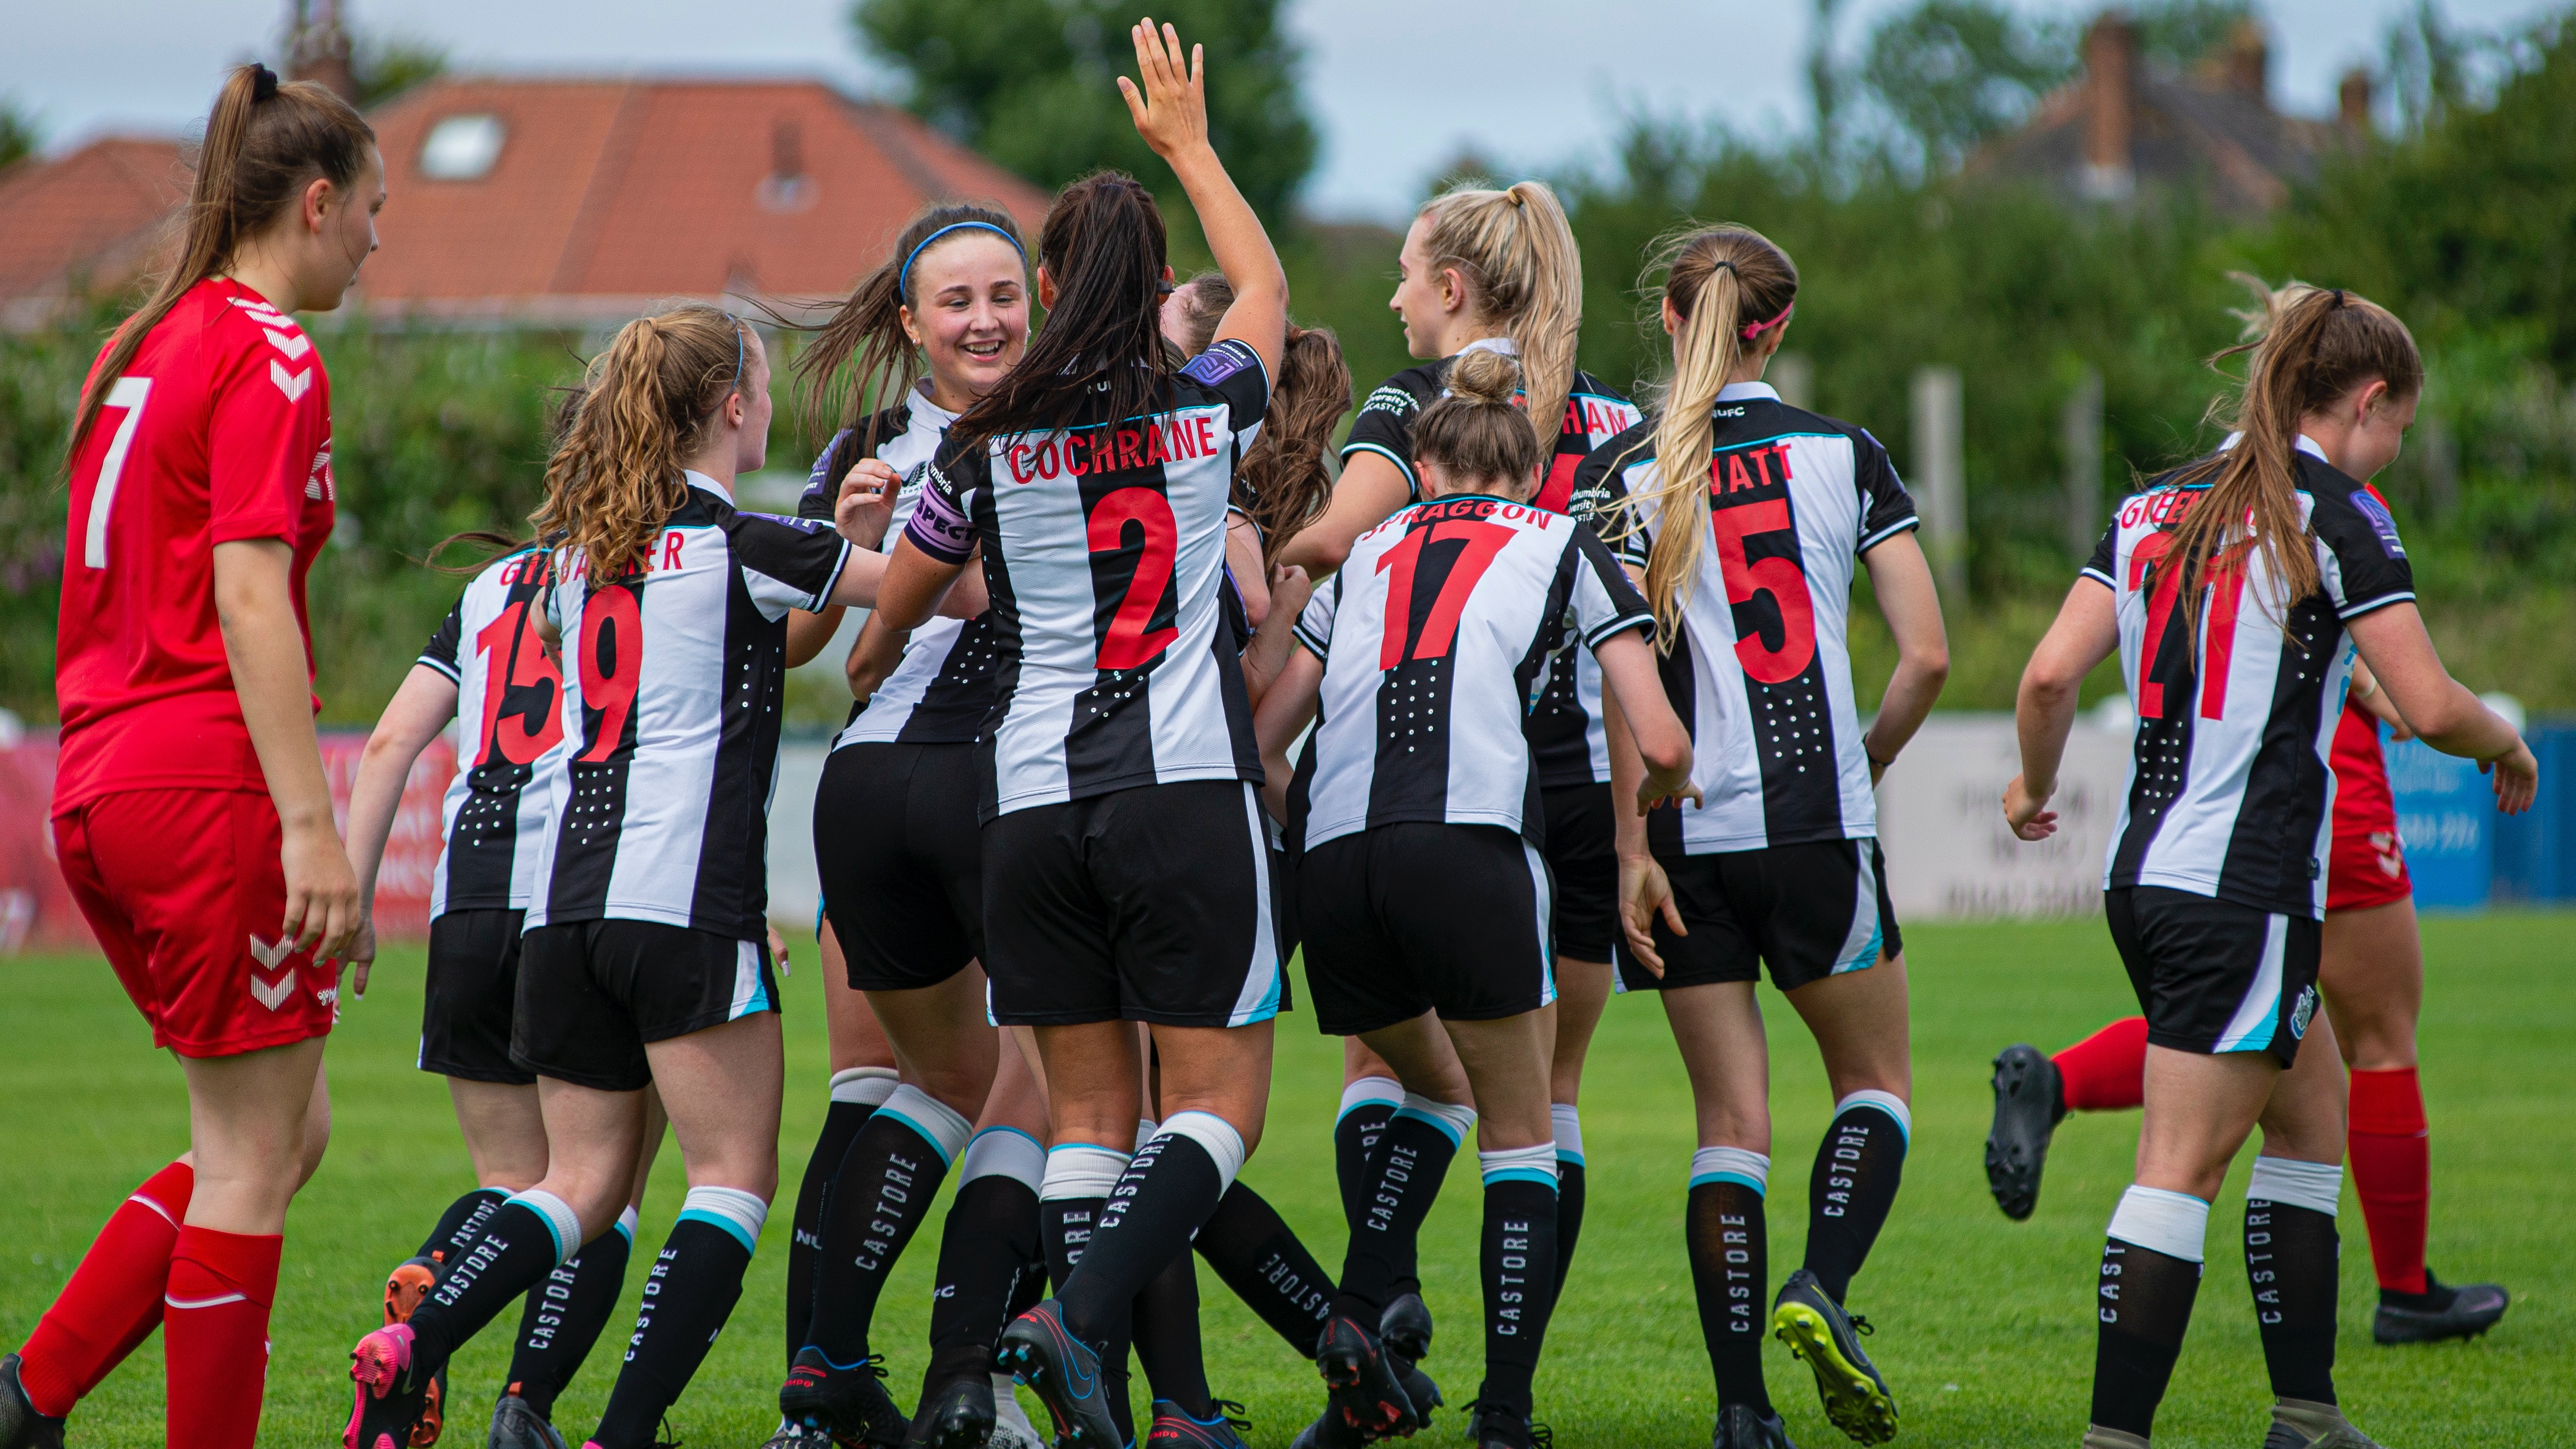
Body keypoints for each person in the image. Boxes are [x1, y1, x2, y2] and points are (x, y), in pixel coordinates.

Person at [343, 303, 957, 1449]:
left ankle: (420, 1342)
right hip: (685, 899)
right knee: (727, 1179)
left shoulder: (567, 567)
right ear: (735, 406)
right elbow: (949, 594)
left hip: (556, 906)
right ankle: (616, 1430)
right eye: (764, 384)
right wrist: (928, 515)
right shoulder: (747, 542)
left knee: (574, 1186)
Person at [848, 21, 1289, 1449]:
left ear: (1039, 296)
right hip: (1176, 796)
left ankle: (1086, 1398)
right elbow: (1268, 288)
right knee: (1216, 1107)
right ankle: (1073, 1320)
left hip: (1029, 807)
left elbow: (894, 613)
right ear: (1163, 290)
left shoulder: (982, 442)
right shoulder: (1205, 405)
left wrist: (863, 660)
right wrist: (1188, 146)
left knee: (1087, 1118)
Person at [2002, 280, 2536, 1449]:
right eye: (2397, 423)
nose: (2392, 446)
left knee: (2306, 1121)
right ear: (2365, 397)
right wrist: (2502, 740)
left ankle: (2305, 1414)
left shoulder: (2152, 505)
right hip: (2239, 886)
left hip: (2142, 874)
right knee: (2176, 1165)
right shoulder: (2333, 510)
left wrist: (2031, 785)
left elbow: (2047, 676)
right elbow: (2435, 701)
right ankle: (2113, 1437)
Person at [0, 62, 377, 1449]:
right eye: (374, 213)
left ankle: (33, 1394)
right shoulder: (270, 352)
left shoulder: (139, 341)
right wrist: (312, 824)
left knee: (286, 1130)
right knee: (251, 1157)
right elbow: (246, 592)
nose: (379, 244)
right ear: (317, 203)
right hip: (198, 778)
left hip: (101, 777)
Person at [1253, 349, 1695, 1449]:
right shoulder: (1562, 538)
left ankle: (1357, 1321)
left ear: (1420, 463)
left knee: (1432, 1088)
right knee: (1518, 1126)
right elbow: (1661, 736)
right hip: (1468, 849)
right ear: (1531, 470)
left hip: (1334, 862)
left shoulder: (1363, 551)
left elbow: (1267, 734)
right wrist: (1670, 795)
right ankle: (1503, 1411)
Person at [1596, 223, 1949, 1449]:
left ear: (1667, 322)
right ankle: (1821, 1285)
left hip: (1681, 836)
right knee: (1874, 1084)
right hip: (1811, 820)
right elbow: (1926, 654)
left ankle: (1741, 1412)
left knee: (1726, 1129)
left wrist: (1627, 848)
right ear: (1775, 326)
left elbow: (1615, 683)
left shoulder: (1625, 468)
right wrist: (1867, 757)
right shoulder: (1840, 454)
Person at [1279, 179, 1643, 1349]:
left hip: (1417, 771)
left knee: (1376, 1062)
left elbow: (1342, 541)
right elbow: (1651, 625)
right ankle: (1511, 1380)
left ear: (1450, 287)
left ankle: (1381, 1295)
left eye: (1401, 273)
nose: (1391, 296)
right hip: (1576, 776)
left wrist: (1254, 545)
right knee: (1544, 1091)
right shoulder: (1609, 420)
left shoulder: (1412, 402)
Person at [1984, 654, 2511, 1347]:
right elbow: (2320, 597)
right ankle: (2402, 1292)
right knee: (2378, 1040)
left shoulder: (2156, 538)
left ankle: (2058, 1081)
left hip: (2197, 805)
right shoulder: (2316, 539)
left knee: (2222, 1028)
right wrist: (2387, 687)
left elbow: (2054, 665)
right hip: (2319, 783)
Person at [752, 201, 1037, 1449]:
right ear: (913, 325)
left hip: (942, 783)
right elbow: (797, 637)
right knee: (1006, 1094)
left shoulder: (1071, 412)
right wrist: (857, 540)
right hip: (951, 779)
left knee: (933, 1089)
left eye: (1002, 295)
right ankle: (966, 1381)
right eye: (956, 302)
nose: (983, 320)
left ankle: (833, 1380)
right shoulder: (870, 444)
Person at [340, 536, 674, 1449]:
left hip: (468, 896)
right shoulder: (653, 563)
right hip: (580, 886)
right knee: (602, 1183)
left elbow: (390, 740)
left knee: (512, 1181)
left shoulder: (493, 582)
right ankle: (521, 1407)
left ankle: (435, 1271)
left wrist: (357, 899)